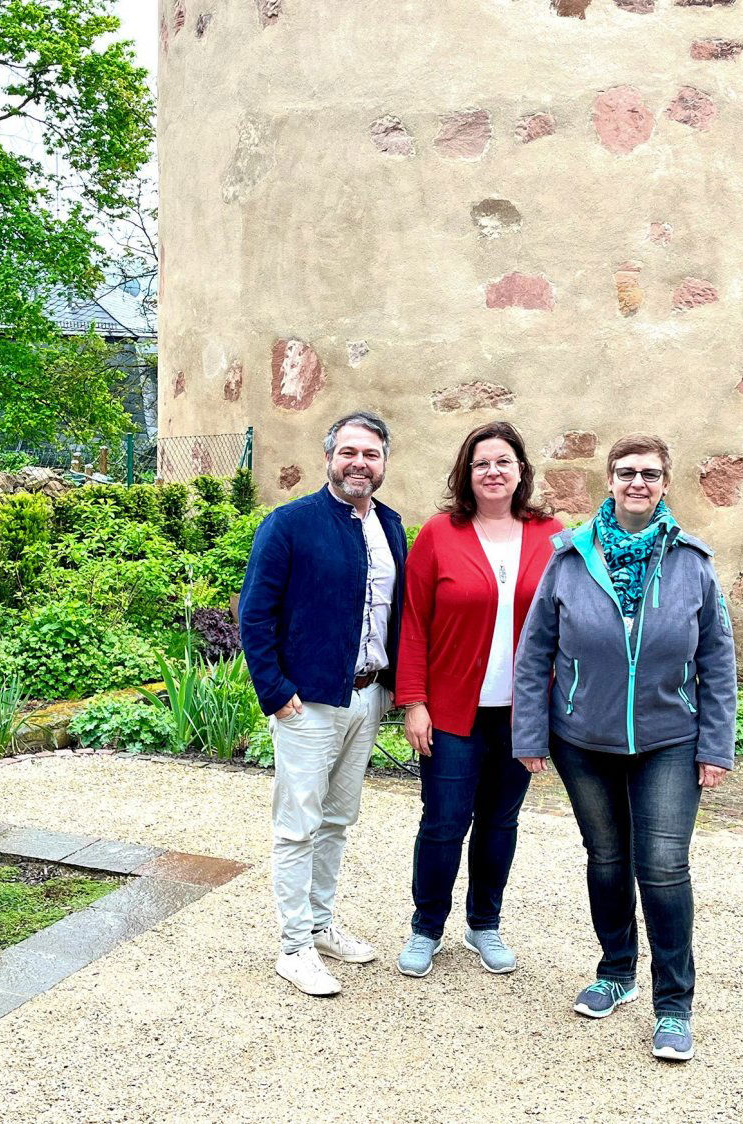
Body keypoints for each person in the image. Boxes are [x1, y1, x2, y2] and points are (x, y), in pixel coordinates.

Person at [511, 433, 736, 1062]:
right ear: (609, 481)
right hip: (584, 740)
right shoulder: (570, 558)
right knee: (606, 858)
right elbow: (535, 656)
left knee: (662, 867)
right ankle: (616, 972)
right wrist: (529, 733)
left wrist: (715, 744)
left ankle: (673, 1006)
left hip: (671, 739)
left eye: (651, 474)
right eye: (626, 472)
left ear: (666, 484)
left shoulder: (692, 560)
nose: (638, 483)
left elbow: (718, 660)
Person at [239, 410, 408, 997]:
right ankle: (294, 946)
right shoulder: (289, 524)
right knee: (297, 826)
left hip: (366, 696)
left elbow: (398, 613)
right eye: (350, 453)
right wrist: (276, 692)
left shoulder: (391, 526)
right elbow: (254, 614)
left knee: (338, 819)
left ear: (384, 463)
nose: (360, 463)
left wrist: (393, 690)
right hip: (306, 703)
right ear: (330, 457)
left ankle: (320, 923)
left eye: (372, 455)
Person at [393, 422, 563, 978]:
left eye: (503, 462)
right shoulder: (440, 533)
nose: (493, 472)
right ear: (467, 474)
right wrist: (413, 699)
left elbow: (571, 619)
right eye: (481, 463)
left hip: (521, 714)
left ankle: (484, 924)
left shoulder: (551, 535)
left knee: (500, 822)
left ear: (520, 471)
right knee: (443, 822)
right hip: (451, 712)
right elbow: (413, 621)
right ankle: (426, 927)